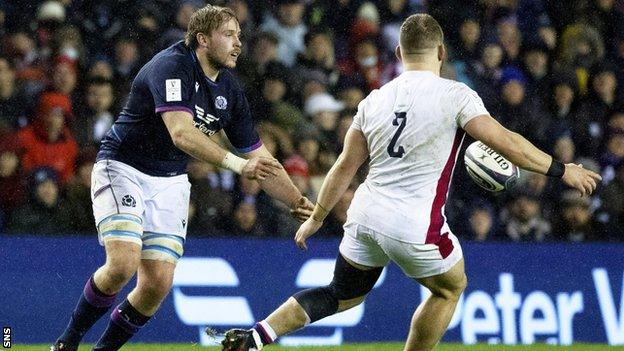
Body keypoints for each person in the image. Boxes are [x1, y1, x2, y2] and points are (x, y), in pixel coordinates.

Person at [220, 13, 602, 351]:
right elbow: (508, 143)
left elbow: (344, 166)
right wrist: (561, 169)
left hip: (365, 215)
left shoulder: (374, 99)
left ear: (400, 55)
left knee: (342, 294)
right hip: (414, 224)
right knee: (450, 288)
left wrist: (317, 217)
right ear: (441, 54)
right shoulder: (455, 95)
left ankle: (257, 336)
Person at [51, 5, 313, 351]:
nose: (238, 43)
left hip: (171, 179)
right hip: (124, 166)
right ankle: (66, 343)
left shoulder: (230, 92)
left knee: (157, 283)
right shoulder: (173, 65)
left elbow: (260, 158)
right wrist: (236, 166)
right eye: (229, 35)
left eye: (239, 36)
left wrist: (298, 202)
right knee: (123, 263)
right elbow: (181, 133)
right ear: (202, 39)